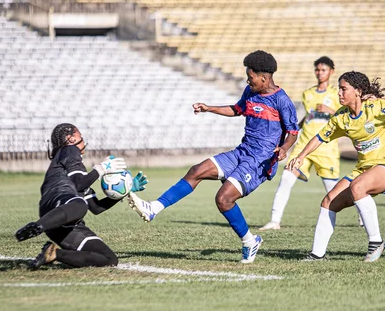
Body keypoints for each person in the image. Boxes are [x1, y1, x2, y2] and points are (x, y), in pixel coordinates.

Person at [128, 50, 299, 263]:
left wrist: (284, 148)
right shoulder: (250, 91)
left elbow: (293, 132)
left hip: (259, 162)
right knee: (196, 170)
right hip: (242, 152)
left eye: (251, 76)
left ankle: (249, 241)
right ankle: (154, 208)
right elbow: (237, 110)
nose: (248, 79)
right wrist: (209, 108)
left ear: (264, 78)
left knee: (223, 199)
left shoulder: (282, 100)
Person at [288, 71, 385, 262]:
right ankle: (317, 255)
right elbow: (320, 137)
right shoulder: (342, 117)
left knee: (358, 186)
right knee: (329, 201)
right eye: (339, 88)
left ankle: (376, 242)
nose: (339, 93)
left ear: (358, 91)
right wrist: (300, 156)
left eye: (343, 89)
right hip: (363, 170)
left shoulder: (376, 107)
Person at [14, 123, 148, 269]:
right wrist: (101, 169)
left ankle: (53, 254)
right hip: (56, 202)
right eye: (81, 137)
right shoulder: (70, 150)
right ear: (71, 139)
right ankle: (37, 226)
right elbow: (78, 184)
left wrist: (125, 190)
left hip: (63, 222)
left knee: (109, 259)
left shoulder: (77, 170)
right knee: (80, 205)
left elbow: (96, 208)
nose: (83, 141)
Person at [260, 56, 342, 231]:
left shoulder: (337, 94)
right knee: (286, 179)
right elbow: (309, 117)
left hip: (326, 149)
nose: (320, 73)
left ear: (331, 71)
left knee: (334, 191)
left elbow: (344, 118)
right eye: (317, 70)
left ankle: (360, 208)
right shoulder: (308, 93)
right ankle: (275, 221)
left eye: (324, 70)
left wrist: (330, 110)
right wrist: (293, 131)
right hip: (304, 145)